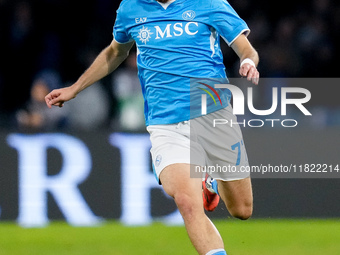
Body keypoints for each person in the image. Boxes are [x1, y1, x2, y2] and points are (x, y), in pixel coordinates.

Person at [45, 0, 259, 254]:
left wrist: (248, 62)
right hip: (165, 121)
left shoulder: (209, 3)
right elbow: (115, 52)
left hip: (213, 114)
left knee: (241, 209)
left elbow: (247, 49)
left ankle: (209, 181)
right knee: (187, 202)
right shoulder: (131, 8)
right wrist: (74, 89)